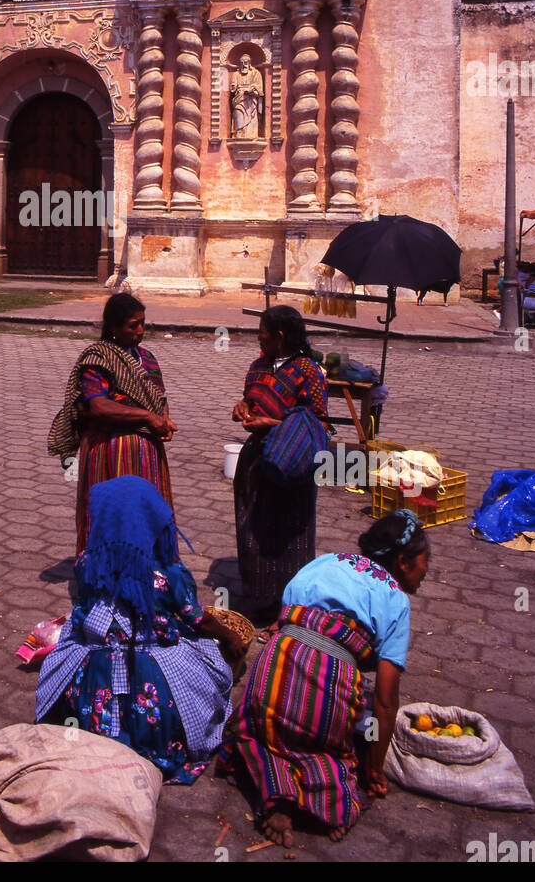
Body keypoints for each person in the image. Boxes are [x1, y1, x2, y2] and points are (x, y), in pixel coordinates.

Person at [227, 509, 430, 845]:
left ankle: (277, 790)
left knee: (259, 731)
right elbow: (385, 699)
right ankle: (324, 801)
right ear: (404, 563)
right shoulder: (396, 599)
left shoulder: (328, 560)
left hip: (272, 675)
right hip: (326, 698)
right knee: (334, 750)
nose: (427, 571)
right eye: (425, 561)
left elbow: (286, 614)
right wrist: (374, 769)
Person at [36, 476, 239, 784]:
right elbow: (197, 618)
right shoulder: (169, 574)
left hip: (95, 673)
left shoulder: (87, 563)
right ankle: (153, 748)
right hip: (153, 672)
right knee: (211, 668)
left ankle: (93, 737)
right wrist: (229, 637)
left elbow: (87, 607)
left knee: (74, 653)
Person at [49, 292, 176, 554]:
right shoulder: (98, 358)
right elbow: (98, 405)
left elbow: (159, 397)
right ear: (113, 328)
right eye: (132, 326)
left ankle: (150, 571)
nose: (140, 331)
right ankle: (104, 572)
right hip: (109, 451)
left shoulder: (148, 359)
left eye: (143, 323)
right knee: (112, 512)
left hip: (147, 454)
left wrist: (164, 420)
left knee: (144, 510)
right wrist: (147, 417)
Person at [231, 304, 329, 625]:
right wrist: (243, 407)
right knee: (254, 529)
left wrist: (272, 424)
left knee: (290, 536)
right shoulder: (259, 366)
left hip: (291, 464)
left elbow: (319, 425)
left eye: (262, 335)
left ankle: (289, 609)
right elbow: (249, 397)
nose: (258, 340)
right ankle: (261, 599)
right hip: (257, 462)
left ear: (280, 337)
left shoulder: (309, 372)